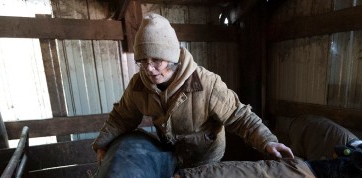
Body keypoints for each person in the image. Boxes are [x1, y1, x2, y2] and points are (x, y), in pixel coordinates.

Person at [92, 13, 293, 167]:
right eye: (143, 61)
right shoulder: (139, 85)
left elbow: (238, 116)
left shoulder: (206, 84)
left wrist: (267, 141)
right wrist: (103, 143)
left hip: (206, 158)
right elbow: (122, 117)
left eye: (157, 61)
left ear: (172, 58)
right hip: (172, 155)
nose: (149, 69)